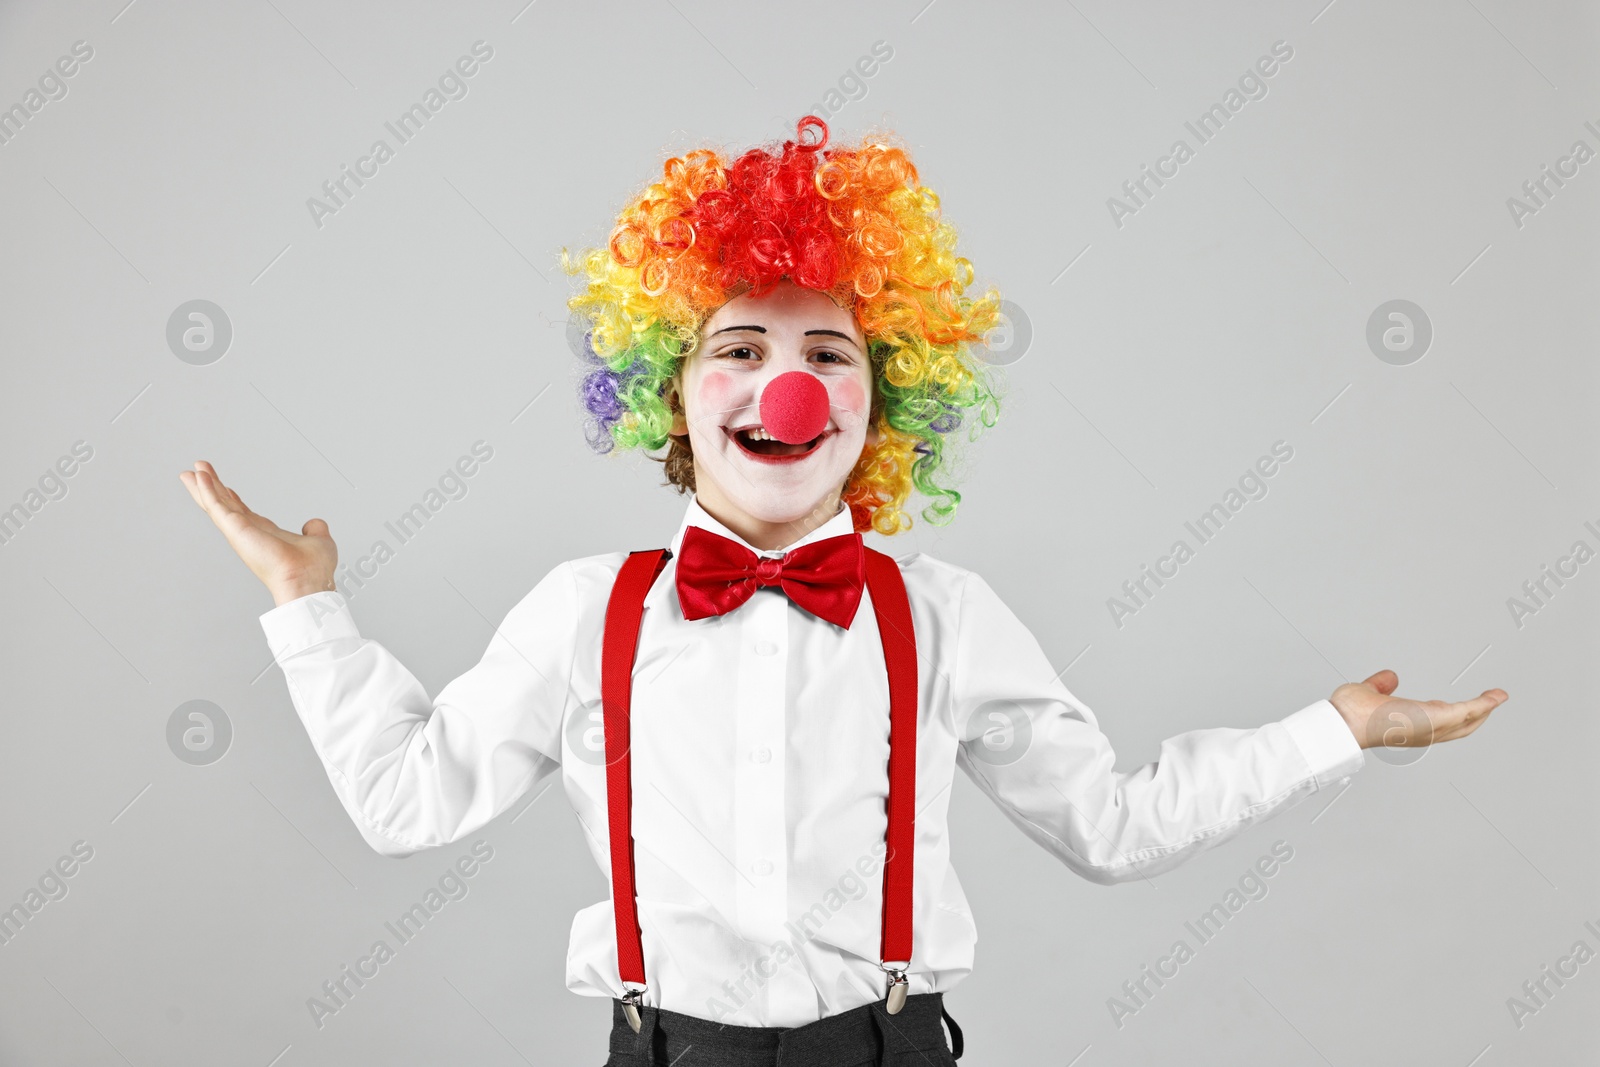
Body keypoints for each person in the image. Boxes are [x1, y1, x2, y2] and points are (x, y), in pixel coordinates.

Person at [180, 117, 1506, 1067]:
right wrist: (309, 609)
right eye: (738, 348)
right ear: (668, 393)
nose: (786, 385)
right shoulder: (589, 611)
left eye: (829, 352)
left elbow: (1111, 825)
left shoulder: (942, 617)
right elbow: (409, 801)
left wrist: (1334, 729)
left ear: (882, 409)